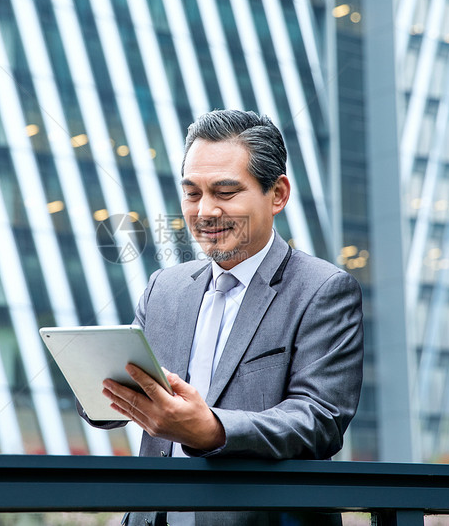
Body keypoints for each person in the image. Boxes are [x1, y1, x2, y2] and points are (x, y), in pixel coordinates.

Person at [82, 110, 364, 526]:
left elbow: (318, 420)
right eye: (192, 193)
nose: (205, 211)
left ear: (278, 194)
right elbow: (109, 404)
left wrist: (214, 429)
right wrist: (96, 385)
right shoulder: (164, 289)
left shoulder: (323, 290)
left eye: (225, 192)